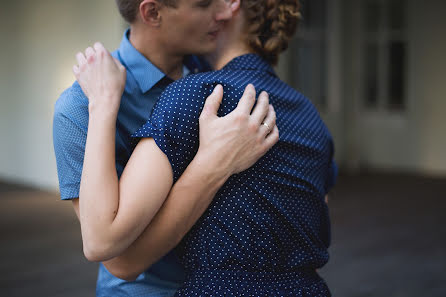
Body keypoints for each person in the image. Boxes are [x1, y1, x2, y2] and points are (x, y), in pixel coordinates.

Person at [74, 0, 337, 295]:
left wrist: (102, 102)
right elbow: (319, 232)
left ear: (231, 9)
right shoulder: (312, 119)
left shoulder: (198, 96)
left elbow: (108, 247)